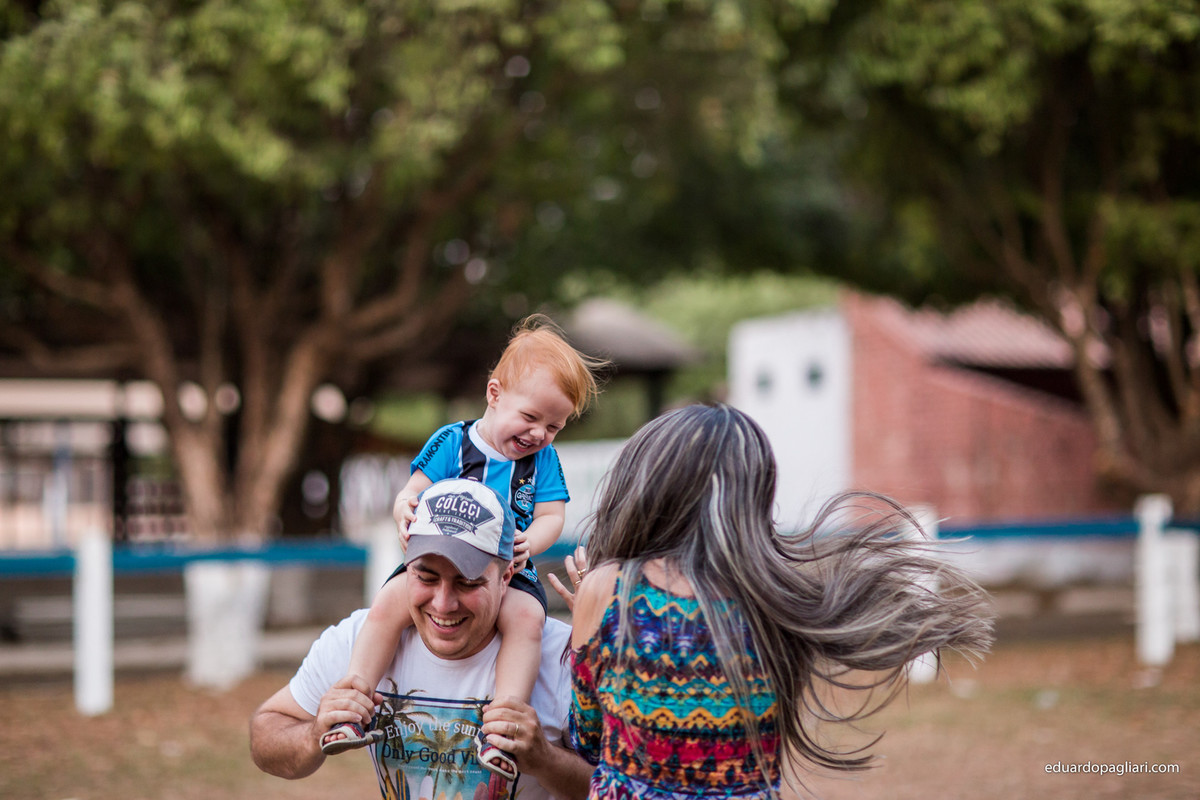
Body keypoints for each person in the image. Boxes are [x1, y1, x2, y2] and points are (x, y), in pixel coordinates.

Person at [557, 404, 994, 800]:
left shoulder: (609, 589)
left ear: (645, 487)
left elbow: (587, 740)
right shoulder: (775, 600)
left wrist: (589, 627)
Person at [321, 314, 604, 781]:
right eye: (530, 417)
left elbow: (552, 516)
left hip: (508, 566)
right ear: (495, 394)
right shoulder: (453, 441)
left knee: (527, 619)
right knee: (388, 603)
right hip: (440, 554)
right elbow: (412, 489)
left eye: (554, 426)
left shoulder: (542, 461)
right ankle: (354, 700)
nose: (539, 434)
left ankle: (503, 726)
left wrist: (529, 542)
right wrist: (403, 507)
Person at [250, 478, 594, 800]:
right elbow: (265, 735)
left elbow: (620, 786)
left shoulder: (563, 656)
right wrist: (314, 733)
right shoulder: (360, 640)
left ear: (506, 577)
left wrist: (546, 759)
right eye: (426, 578)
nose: (443, 604)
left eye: (467, 582)